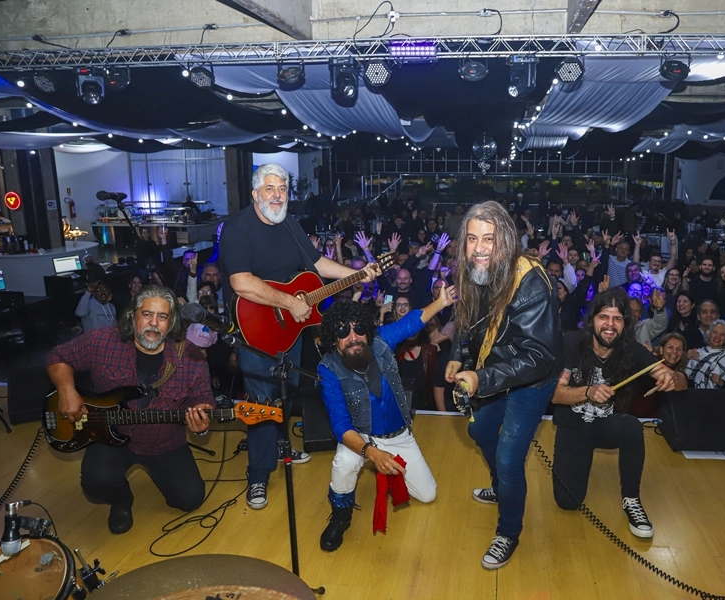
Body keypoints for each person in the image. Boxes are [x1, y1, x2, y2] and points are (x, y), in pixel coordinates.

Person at [219, 163, 380, 510]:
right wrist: (289, 302)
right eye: (270, 189)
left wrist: (358, 273)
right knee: (262, 401)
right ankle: (258, 476)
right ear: (255, 194)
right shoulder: (237, 229)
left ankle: (279, 443)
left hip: (288, 327)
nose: (277, 196)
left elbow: (318, 263)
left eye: (282, 190)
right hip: (253, 327)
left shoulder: (289, 223)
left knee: (286, 388)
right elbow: (241, 282)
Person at [445, 201, 562, 570]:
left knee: (511, 459)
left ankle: (508, 531)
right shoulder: (477, 269)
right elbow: (467, 319)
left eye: (489, 239)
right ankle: (501, 488)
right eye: (472, 239)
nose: (479, 248)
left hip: (531, 379)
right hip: (493, 370)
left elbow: (539, 357)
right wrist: (458, 354)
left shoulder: (530, 283)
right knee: (481, 433)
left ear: (506, 241)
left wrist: (481, 378)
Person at [46, 285, 213, 534]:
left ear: (172, 322)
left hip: (165, 442)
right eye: (147, 314)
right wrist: (67, 391)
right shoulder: (102, 341)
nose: (154, 323)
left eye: (163, 317)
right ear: (133, 315)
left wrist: (202, 424)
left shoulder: (192, 359)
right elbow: (58, 356)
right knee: (94, 483)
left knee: (190, 500)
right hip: (110, 436)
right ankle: (122, 498)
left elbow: (204, 400)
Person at [317, 285, 456, 552]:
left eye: (358, 329)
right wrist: (371, 453)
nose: (353, 337)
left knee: (427, 495)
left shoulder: (381, 340)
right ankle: (340, 516)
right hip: (360, 436)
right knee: (344, 461)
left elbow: (411, 322)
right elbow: (340, 425)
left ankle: (390, 471)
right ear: (334, 337)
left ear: (368, 332)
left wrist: (440, 302)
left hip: (397, 435)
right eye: (343, 331)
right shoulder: (328, 368)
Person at [551, 289, 686, 540]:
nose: (610, 325)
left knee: (632, 426)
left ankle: (631, 499)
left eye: (617, 319)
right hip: (573, 427)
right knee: (567, 502)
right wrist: (588, 391)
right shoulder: (571, 343)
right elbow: (555, 395)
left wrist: (672, 378)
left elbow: (680, 381)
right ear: (592, 320)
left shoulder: (632, 350)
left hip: (607, 426)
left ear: (625, 324)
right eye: (604, 317)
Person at [685, 320, 725, 389]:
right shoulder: (697, 352)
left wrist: (721, 383)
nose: (717, 336)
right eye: (715, 332)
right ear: (709, 334)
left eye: (722, 334)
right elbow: (684, 376)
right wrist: (685, 357)